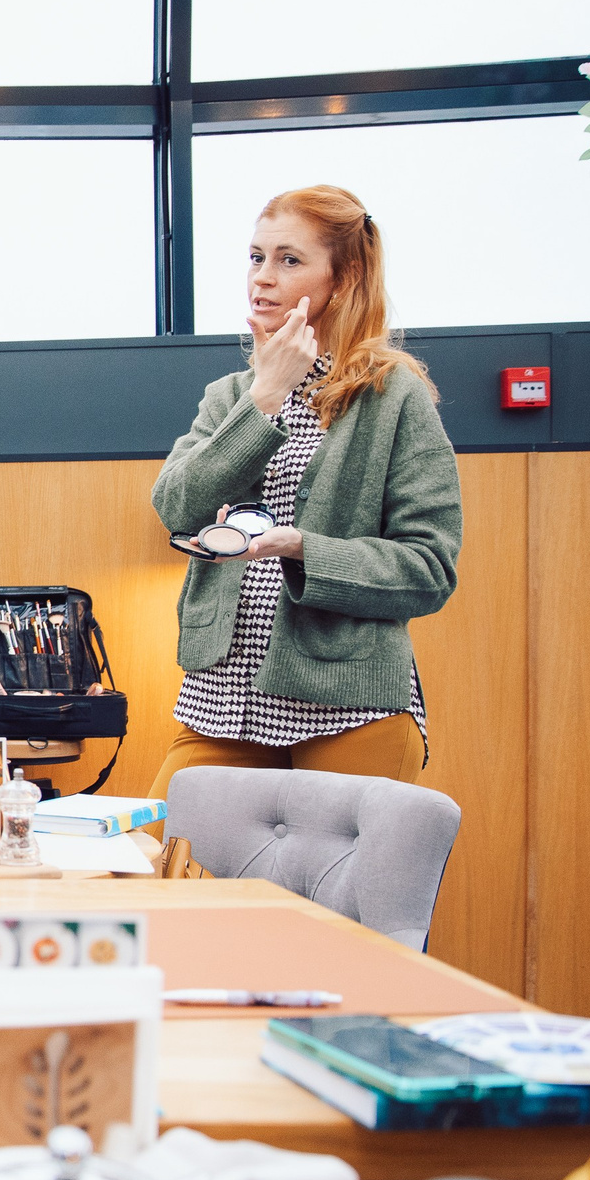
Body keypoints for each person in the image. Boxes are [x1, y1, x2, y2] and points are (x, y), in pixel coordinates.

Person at [146, 186, 461, 798]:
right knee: (163, 870)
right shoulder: (230, 395)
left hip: (350, 708)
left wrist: (300, 548)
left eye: (289, 261)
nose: (262, 279)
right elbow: (176, 507)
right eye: (256, 257)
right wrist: (265, 396)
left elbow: (429, 569)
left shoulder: (395, 396)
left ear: (343, 279)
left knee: (332, 897)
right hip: (223, 702)